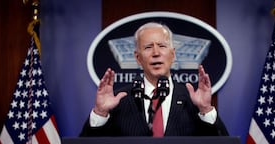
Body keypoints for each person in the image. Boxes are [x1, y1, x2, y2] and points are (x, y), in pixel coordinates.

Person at [80, 22, 229, 137]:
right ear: (138, 58)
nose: (156, 53)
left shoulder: (193, 100)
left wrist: (206, 109)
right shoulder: (119, 100)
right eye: (148, 47)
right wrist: (100, 113)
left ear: (173, 54)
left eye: (162, 46)